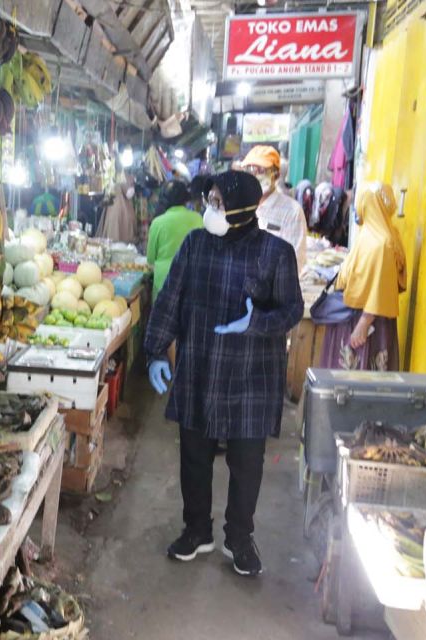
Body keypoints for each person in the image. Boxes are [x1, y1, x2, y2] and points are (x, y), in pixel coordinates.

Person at [143, 171, 303, 577]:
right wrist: (156, 351)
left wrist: (256, 322)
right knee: (194, 456)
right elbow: (170, 299)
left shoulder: (275, 253)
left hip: (251, 376)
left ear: (243, 209)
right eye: (208, 200)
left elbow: (291, 311)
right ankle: (197, 529)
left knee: (246, 463)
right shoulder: (196, 244)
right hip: (199, 366)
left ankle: (239, 538)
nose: (209, 209)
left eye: (217, 202)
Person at [319, 183, 406, 371]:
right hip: (360, 316)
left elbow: (380, 286)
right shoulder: (380, 234)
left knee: (359, 374)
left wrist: (364, 324)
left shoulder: (380, 243)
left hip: (363, 320)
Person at [241, 145, 307, 273]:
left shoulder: (292, 211)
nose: (254, 175)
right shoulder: (240, 206)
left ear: (276, 175)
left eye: (261, 170)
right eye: (249, 170)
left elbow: (296, 261)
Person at [146, 180, 203, 304]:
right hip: (192, 278)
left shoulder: (158, 223)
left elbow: (150, 259)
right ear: (185, 199)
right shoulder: (198, 218)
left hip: (164, 280)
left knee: (162, 319)